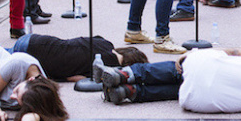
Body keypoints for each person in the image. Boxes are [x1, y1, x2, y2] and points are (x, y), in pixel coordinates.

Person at [96, 43, 241, 111]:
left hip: (208, 70)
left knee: (185, 67)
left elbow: (235, 52)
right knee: (188, 86)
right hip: (202, 103)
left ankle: (125, 74)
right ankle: (131, 92)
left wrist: (194, 52)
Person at [10, 33, 147, 81]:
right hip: (34, 60)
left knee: (1, 54)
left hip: (36, 40)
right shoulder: (104, 68)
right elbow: (73, 78)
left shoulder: (105, 43)